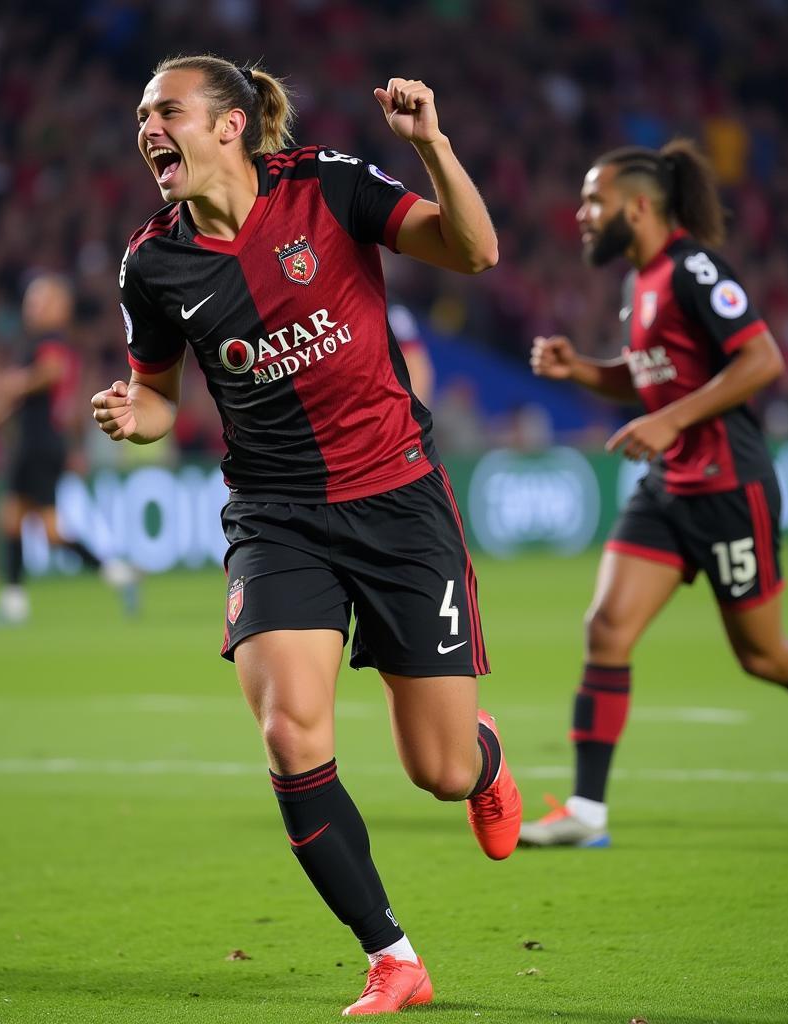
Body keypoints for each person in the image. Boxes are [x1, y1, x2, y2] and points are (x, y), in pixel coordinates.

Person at [90, 55, 521, 1016]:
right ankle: (393, 955)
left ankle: (483, 757)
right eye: (140, 115)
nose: (148, 128)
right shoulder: (150, 263)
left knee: (439, 770)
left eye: (167, 110)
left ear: (231, 124)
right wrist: (135, 415)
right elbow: (161, 397)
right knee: (290, 732)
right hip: (276, 517)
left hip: (399, 498)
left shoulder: (327, 186)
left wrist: (432, 148)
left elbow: (475, 252)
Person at [522, 140, 788, 849]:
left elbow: (762, 358)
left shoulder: (693, 269)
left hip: (730, 486)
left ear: (638, 206)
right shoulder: (637, 281)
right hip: (669, 484)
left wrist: (669, 418)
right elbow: (648, 378)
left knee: (762, 656)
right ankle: (587, 811)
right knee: (606, 629)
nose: (582, 214)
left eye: (594, 200)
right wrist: (583, 369)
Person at [0, 273, 138, 624]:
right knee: (45, 529)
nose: (31, 307)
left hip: (36, 443)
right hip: (45, 441)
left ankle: (14, 605)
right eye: (31, 301)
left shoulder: (51, 342)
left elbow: (48, 374)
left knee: (17, 519)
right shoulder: (47, 342)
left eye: (40, 301)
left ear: (60, 308)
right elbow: (33, 394)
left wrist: (5, 385)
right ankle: (118, 574)